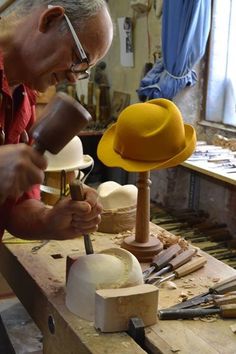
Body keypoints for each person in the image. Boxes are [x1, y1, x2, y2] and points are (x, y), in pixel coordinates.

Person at [0, 0, 113, 241]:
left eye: (84, 69)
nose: (73, 78)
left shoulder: (23, 99)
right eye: (79, 56)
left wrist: (49, 221)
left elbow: (15, 206)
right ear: (50, 19)